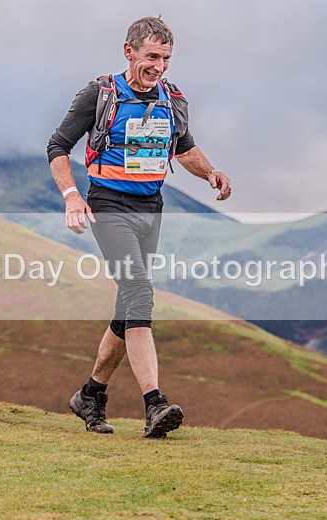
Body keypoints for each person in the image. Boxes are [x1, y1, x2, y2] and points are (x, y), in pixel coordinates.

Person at [47, 16, 232, 438]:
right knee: (140, 294)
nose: (159, 66)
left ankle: (90, 395)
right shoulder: (100, 93)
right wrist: (71, 195)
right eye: (151, 56)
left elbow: (183, 147)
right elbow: (57, 145)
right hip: (108, 204)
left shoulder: (172, 98)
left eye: (166, 58)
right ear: (128, 52)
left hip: (152, 207)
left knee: (128, 307)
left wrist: (210, 173)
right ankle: (154, 404)